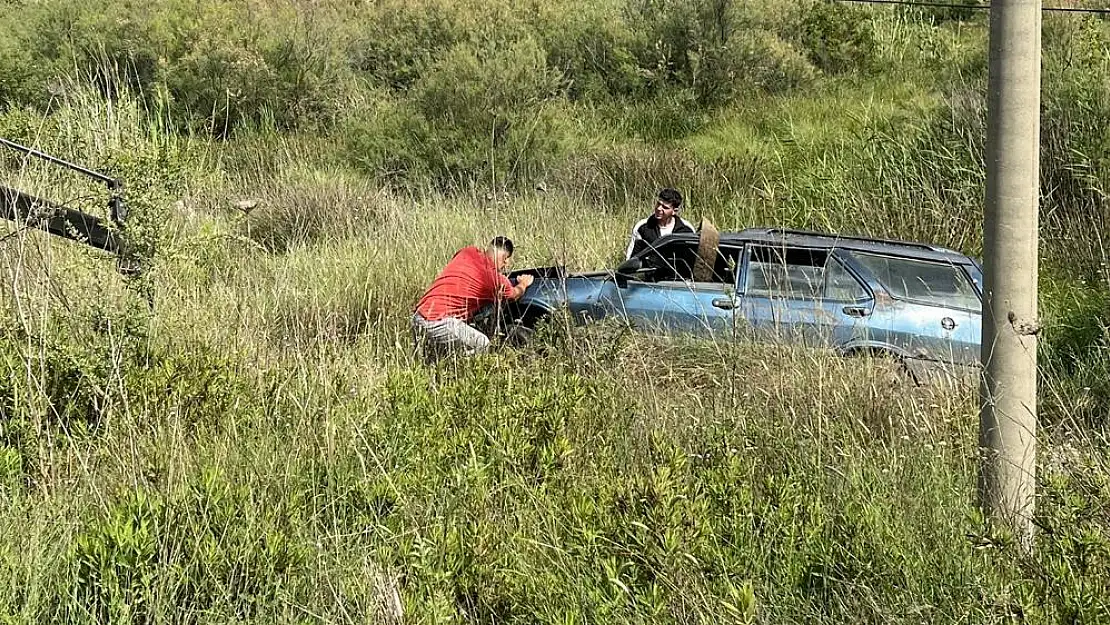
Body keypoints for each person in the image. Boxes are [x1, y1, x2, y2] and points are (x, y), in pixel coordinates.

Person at [412, 236, 534, 361]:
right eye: (507, 261)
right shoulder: (495, 279)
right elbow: (514, 294)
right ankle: (459, 370)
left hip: (418, 315)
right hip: (437, 321)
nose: (506, 265)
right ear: (505, 259)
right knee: (482, 344)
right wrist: (523, 283)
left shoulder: (467, 252)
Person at [625, 188, 695, 260]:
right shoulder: (643, 227)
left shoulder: (687, 229)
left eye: (665, 207)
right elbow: (631, 258)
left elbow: (692, 259)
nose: (659, 208)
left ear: (674, 211)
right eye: (658, 203)